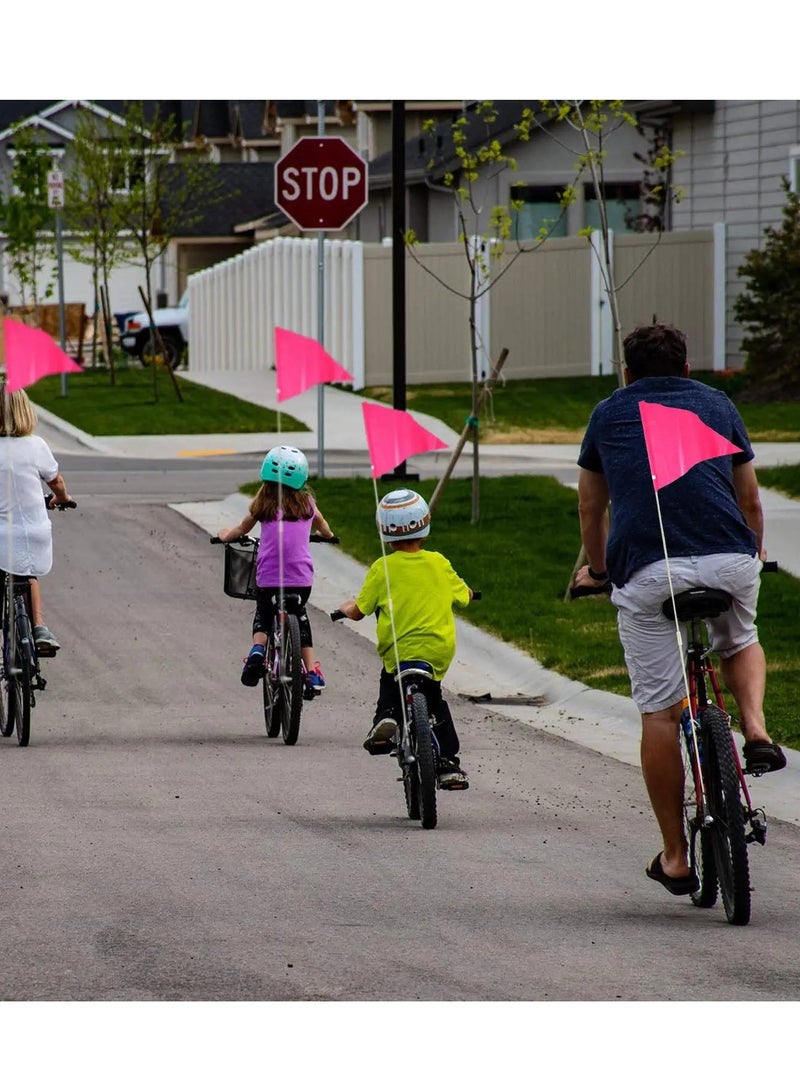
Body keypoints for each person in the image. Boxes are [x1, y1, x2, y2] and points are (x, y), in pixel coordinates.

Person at [572, 321, 786, 897]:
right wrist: (754, 549)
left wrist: (597, 569)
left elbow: (591, 509)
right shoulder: (718, 404)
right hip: (730, 562)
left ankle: (674, 855)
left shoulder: (608, 413)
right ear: (687, 369)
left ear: (626, 373)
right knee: (739, 639)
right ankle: (757, 728)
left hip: (650, 570)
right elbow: (749, 499)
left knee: (661, 714)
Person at [336, 488, 474, 790]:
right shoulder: (439, 563)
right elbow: (463, 596)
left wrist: (345, 608)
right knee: (434, 699)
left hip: (400, 652)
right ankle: (448, 763)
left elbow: (359, 611)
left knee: (390, 681)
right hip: (436, 651)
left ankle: (386, 718)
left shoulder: (382, 568)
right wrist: (470, 593)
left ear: (384, 531)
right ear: (425, 524)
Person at [217, 444, 335, 690]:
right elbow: (324, 529)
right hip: (301, 580)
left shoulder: (263, 504)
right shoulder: (308, 505)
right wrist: (327, 535)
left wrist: (225, 534)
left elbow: (240, 530)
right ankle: (311, 672)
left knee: (264, 612)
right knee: (301, 618)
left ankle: (258, 650)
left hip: (269, 579)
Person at [0, 383, 73, 653]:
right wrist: (62, 498)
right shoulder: (36, 445)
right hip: (33, 531)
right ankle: (39, 626)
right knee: (27, 571)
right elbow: (56, 481)